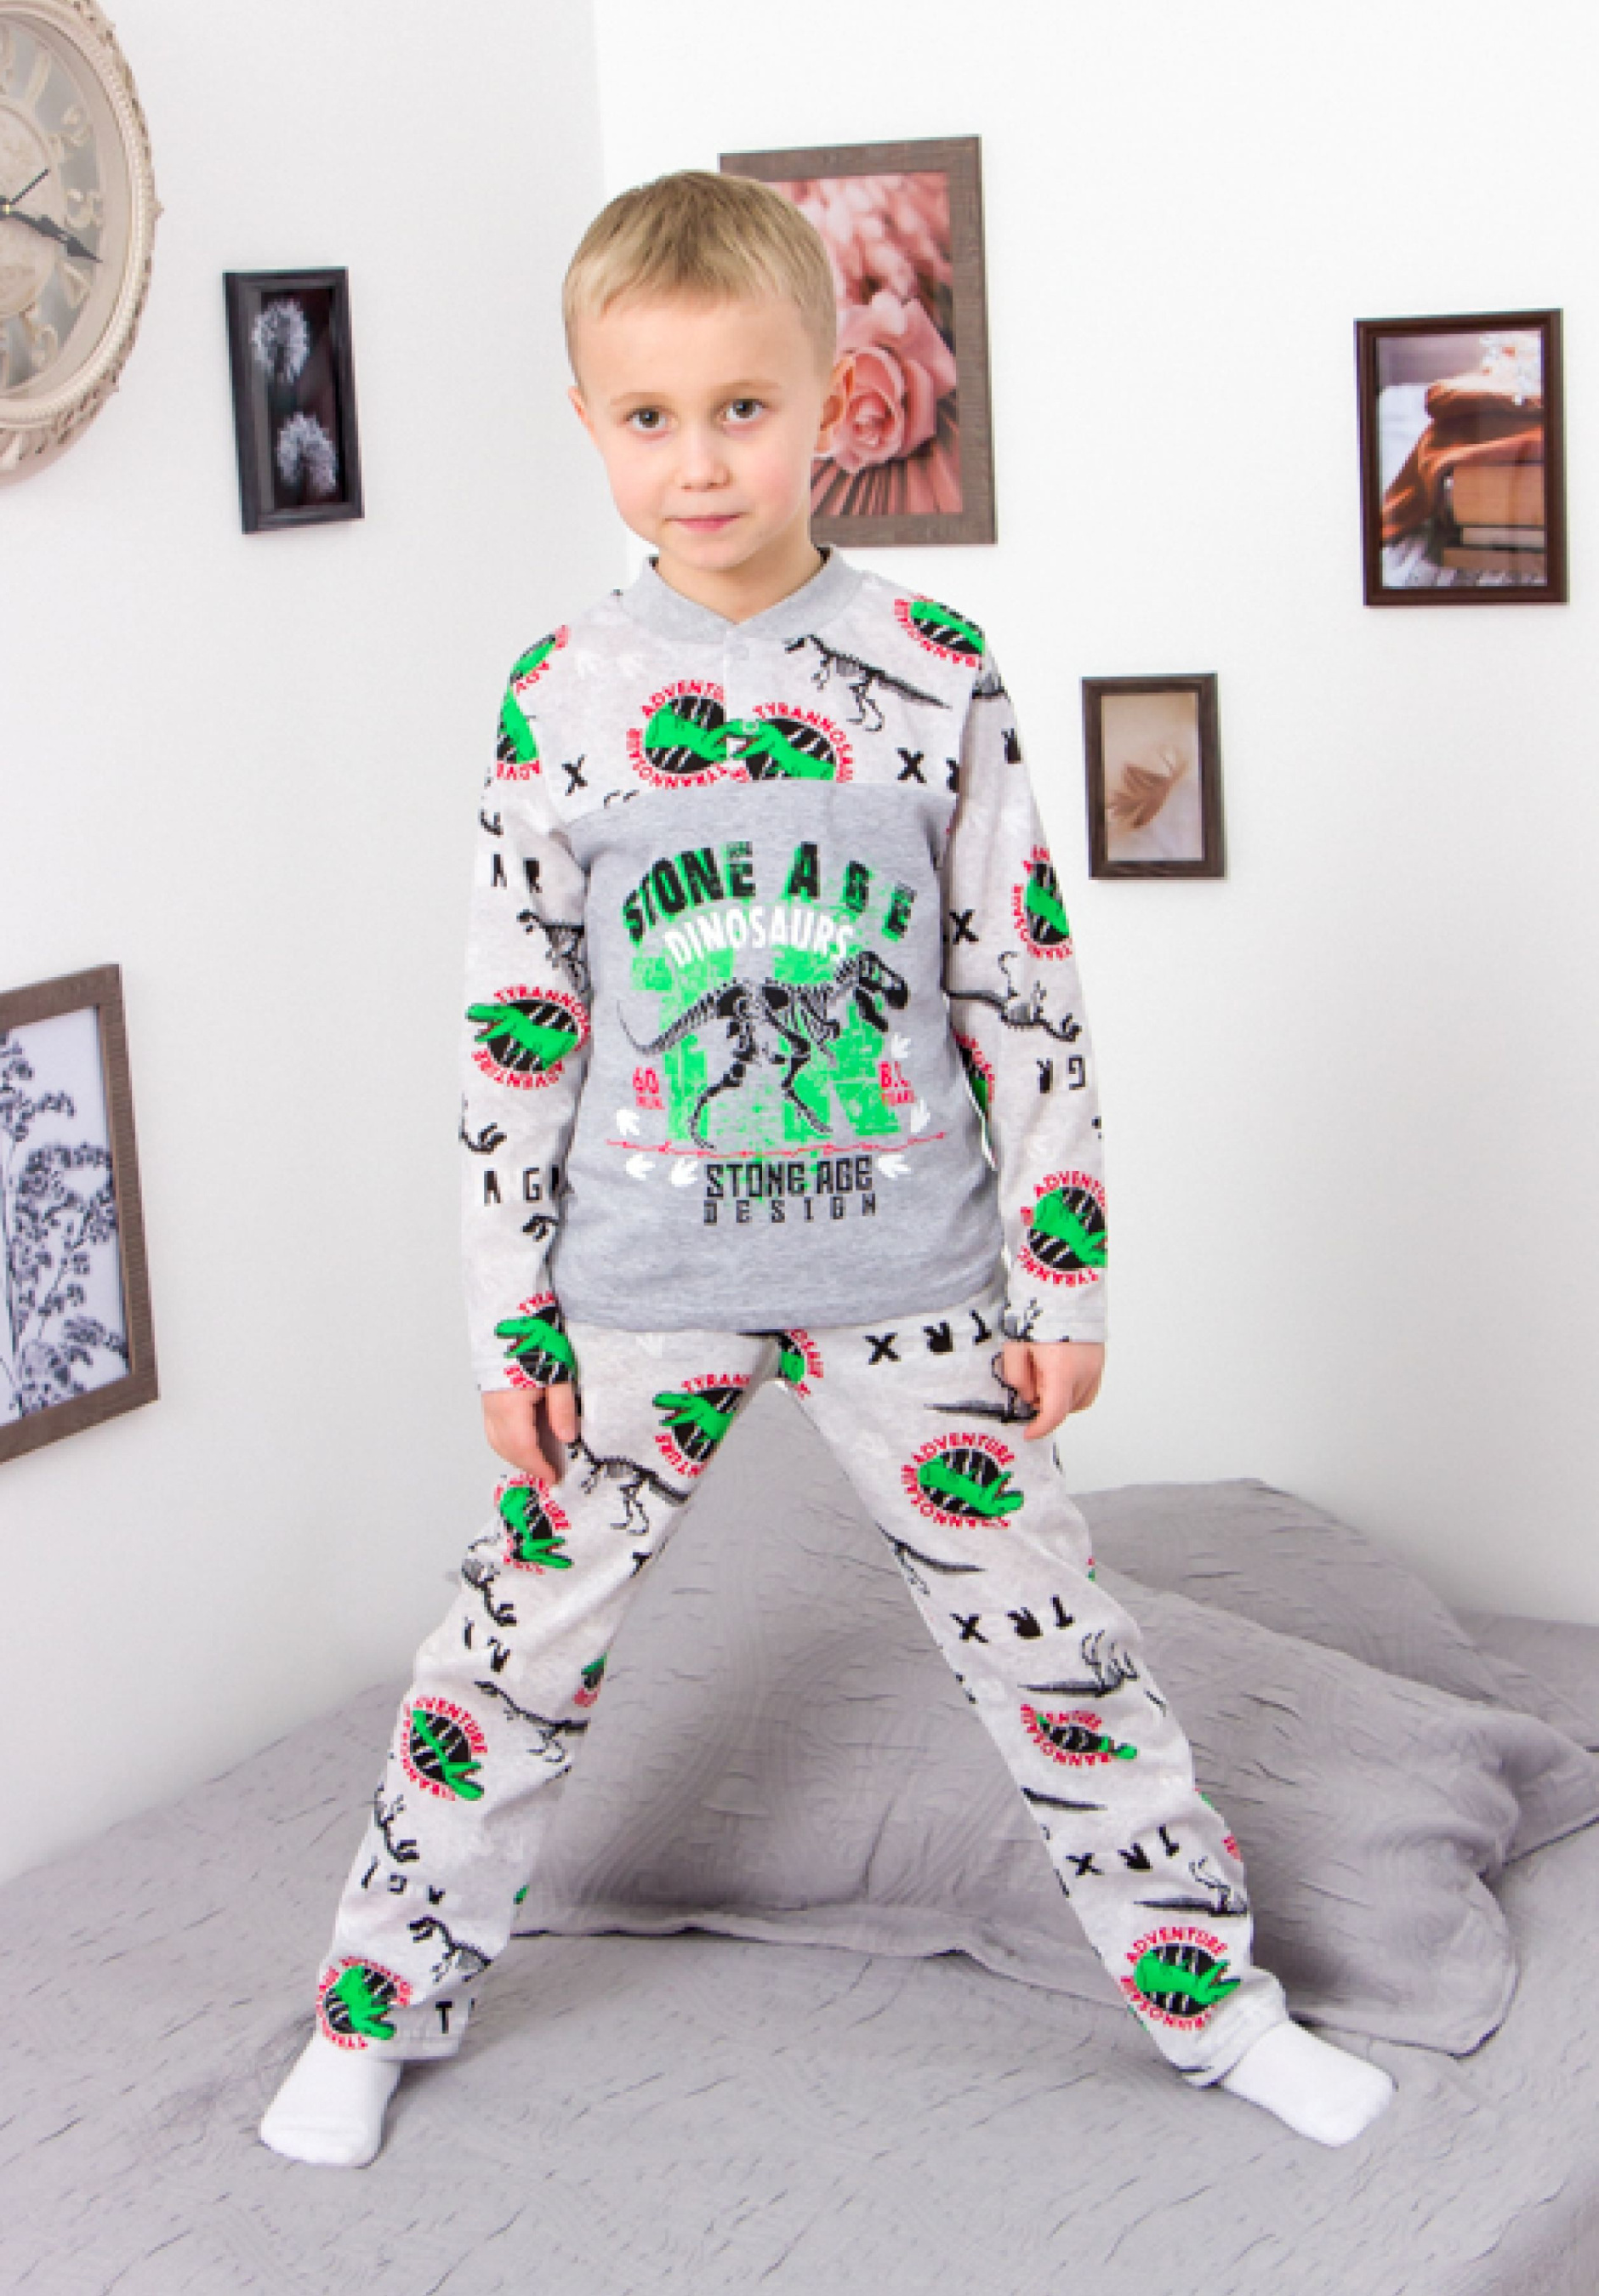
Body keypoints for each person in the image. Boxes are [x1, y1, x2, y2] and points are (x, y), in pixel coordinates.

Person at [260, 169, 1394, 2168]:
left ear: (829, 402)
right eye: (648, 417)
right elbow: (513, 1031)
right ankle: (377, 2004)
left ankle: (1214, 2008)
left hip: (916, 1278)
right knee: (504, 1651)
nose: (698, 463)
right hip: (633, 1292)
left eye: (741, 408)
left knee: (1057, 1647)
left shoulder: (930, 668)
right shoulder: (559, 697)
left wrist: (1062, 1282)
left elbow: (1020, 989)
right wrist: (508, 1322)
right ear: (588, 422)